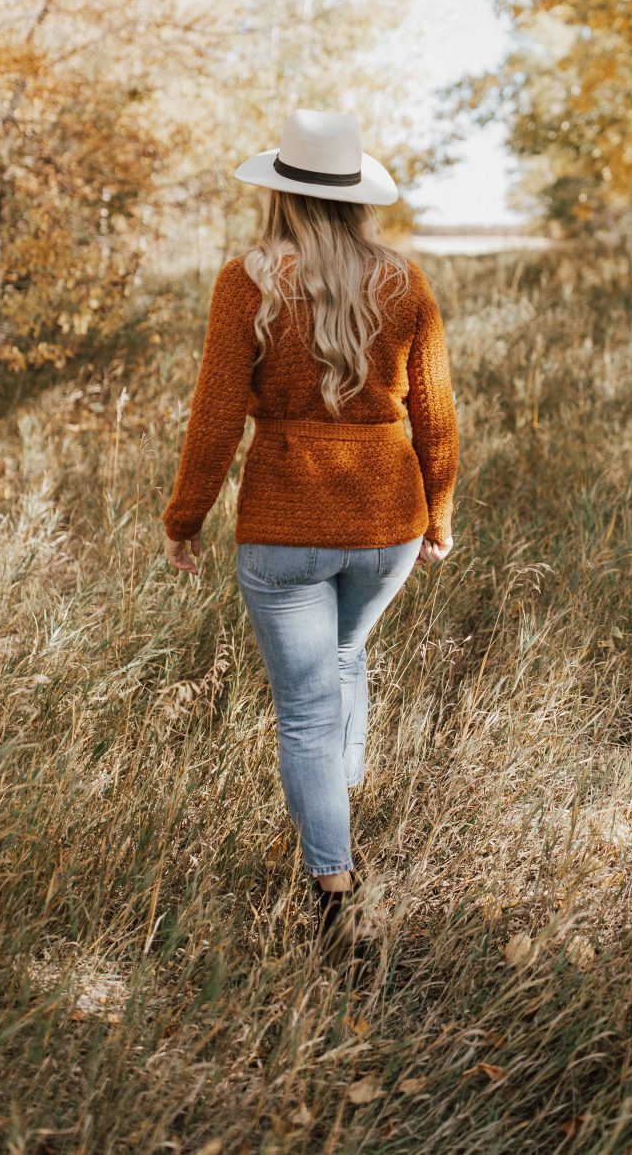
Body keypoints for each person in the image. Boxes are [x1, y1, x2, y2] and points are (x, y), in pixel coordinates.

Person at [161, 108, 459, 967]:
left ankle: (333, 888)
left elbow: (215, 419)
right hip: (386, 525)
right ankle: (339, 792)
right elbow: (437, 417)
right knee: (343, 655)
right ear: (356, 199)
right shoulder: (404, 282)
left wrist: (186, 518)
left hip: (285, 525)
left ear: (281, 195)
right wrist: (437, 516)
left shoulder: (245, 281)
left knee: (305, 710)